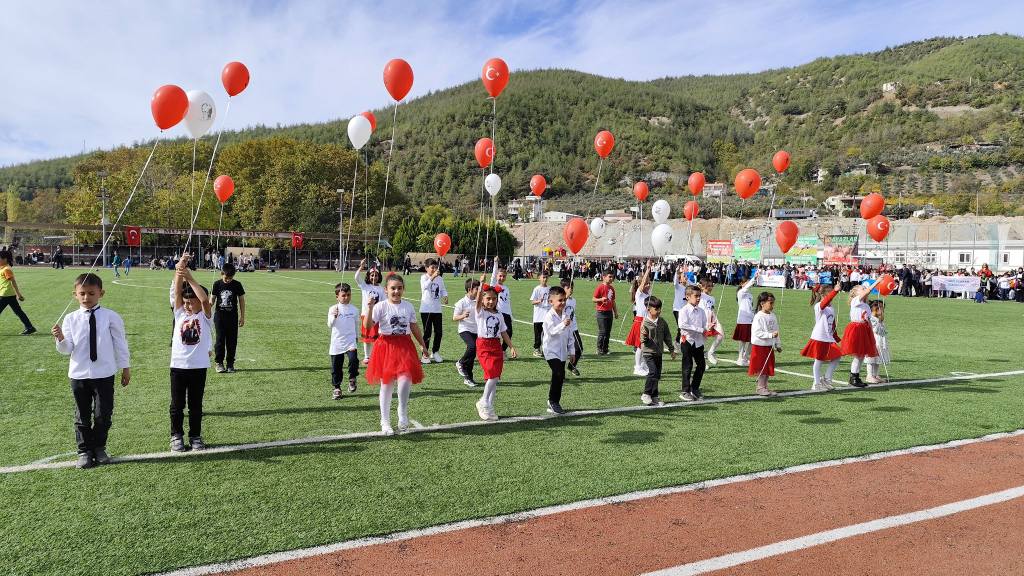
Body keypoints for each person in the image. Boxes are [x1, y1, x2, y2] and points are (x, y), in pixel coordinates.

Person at [52, 273, 130, 469]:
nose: (87, 298)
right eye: (82, 293)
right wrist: (60, 338)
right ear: (75, 295)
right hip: (79, 374)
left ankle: (99, 447)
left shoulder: (111, 316)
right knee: (82, 415)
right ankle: (84, 451)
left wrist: (125, 368)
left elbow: (121, 344)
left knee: (103, 414)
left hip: (104, 374)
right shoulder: (70, 319)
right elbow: (66, 349)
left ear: (101, 293)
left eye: (91, 293)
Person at [364, 273, 428, 435]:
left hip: (405, 346)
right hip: (386, 346)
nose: (396, 291)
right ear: (386, 290)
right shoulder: (380, 306)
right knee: (386, 384)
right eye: (393, 288)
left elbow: (414, 327)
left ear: (403, 290)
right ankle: (385, 421)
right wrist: (370, 308)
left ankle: (402, 412)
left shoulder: (408, 306)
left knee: (405, 380)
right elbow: (368, 325)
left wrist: (423, 344)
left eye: (399, 288)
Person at [170, 258, 213, 452]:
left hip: (199, 366)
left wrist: (190, 277)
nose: (187, 306)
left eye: (191, 302)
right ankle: (176, 435)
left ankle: (195, 436)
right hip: (178, 366)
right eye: (185, 302)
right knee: (177, 404)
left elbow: (204, 300)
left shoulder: (204, 317)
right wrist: (180, 270)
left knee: (196, 405)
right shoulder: (179, 314)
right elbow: (177, 292)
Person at [473, 277, 518, 421]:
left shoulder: (499, 314)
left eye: (494, 299)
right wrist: (481, 285)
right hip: (484, 345)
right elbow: (479, 300)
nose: (491, 301)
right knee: (492, 374)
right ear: (483, 300)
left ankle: (489, 406)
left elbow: (503, 332)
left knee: (495, 377)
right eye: (488, 299)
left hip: (496, 345)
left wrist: (511, 346)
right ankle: (483, 402)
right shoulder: (480, 312)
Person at [800, 284, 842, 392]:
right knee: (819, 360)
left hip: (829, 337)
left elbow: (831, 323)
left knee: (837, 356)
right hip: (819, 337)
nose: (831, 295)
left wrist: (835, 336)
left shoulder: (831, 308)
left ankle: (827, 379)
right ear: (823, 294)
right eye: (830, 292)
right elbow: (825, 302)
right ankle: (816, 383)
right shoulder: (819, 306)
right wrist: (835, 291)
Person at [841, 278, 882, 388]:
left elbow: (867, 318)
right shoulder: (856, 300)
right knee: (858, 355)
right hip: (856, 328)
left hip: (864, 329)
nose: (864, 289)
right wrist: (877, 281)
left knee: (861, 355)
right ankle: (853, 376)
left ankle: (856, 376)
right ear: (855, 293)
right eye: (861, 288)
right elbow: (867, 291)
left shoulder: (866, 305)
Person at [542, 286, 575, 414]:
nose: (562, 303)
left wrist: (572, 351)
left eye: (564, 300)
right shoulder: (549, 316)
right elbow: (551, 332)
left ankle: (555, 401)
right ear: (551, 302)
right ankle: (553, 401)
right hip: (550, 351)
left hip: (562, 352)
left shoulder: (566, 315)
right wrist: (563, 324)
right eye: (559, 300)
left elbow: (570, 335)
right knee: (558, 373)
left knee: (560, 376)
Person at [210, 262, 246, 373]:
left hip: (232, 317)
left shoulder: (237, 285)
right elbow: (212, 300)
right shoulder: (217, 284)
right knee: (220, 340)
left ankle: (230, 363)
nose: (228, 280)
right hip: (219, 317)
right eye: (226, 278)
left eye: (230, 278)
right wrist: (206, 308)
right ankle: (219, 363)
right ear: (221, 274)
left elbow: (241, 300)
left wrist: (242, 316)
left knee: (232, 341)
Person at [639, 295, 675, 406]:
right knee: (653, 372)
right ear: (648, 309)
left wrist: (671, 349)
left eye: (660, 308)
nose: (659, 311)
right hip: (648, 352)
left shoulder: (662, 322)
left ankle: (654, 396)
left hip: (659, 353)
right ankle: (646, 394)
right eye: (656, 309)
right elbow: (642, 340)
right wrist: (645, 336)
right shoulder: (645, 323)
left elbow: (667, 336)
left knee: (657, 375)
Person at [328, 283, 360, 399]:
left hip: (350, 341)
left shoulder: (355, 310)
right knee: (336, 367)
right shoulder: (333, 309)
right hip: (337, 342)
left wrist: (356, 337)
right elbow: (329, 325)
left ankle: (352, 378)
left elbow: (356, 325)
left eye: (348, 295)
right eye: (343, 295)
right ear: (337, 296)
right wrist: (334, 316)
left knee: (353, 360)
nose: (346, 297)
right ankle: (337, 388)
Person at [677, 284, 707, 402]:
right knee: (687, 366)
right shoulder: (683, 310)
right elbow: (682, 325)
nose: (698, 298)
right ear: (688, 297)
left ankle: (695, 388)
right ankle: (685, 390)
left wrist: (707, 329)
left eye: (700, 296)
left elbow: (704, 323)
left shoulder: (701, 311)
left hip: (698, 342)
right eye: (696, 296)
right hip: (687, 341)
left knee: (701, 365)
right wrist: (700, 329)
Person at [355, 259, 386, 365]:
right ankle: (367, 356)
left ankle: (377, 355)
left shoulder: (381, 289)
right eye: (372, 275)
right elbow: (356, 277)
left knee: (377, 338)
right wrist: (361, 267)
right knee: (367, 338)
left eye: (376, 275)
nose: (374, 277)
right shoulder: (365, 286)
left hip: (377, 317)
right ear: (368, 276)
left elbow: (383, 302)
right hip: (366, 315)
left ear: (379, 277)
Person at [750, 292, 781, 396]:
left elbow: (776, 331)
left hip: (769, 346)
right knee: (762, 367)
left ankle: (765, 387)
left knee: (768, 367)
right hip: (760, 346)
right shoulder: (758, 316)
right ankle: (760, 387)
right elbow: (757, 333)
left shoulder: (773, 316)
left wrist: (778, 344)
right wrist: (770, 335)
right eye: (770, 303)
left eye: (773, 303)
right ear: (762, 303)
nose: (772, 305)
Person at [626, 261, 653, 377]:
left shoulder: (647, 294)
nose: (648, 285)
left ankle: (642, 364)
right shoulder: (639, 293)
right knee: (640, 345)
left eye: (649, 283)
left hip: (646, 321)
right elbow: (642, 285)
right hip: (640, 321)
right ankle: (637, 367)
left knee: (645, 345)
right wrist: (647, 269)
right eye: (646, 284)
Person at [453, 278, 481, 387]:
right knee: (472, 347)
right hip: (465, 329)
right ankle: (460, 362)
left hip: (476, 330)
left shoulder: (478, 300)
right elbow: (455, 317)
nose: (479, 291)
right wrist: (463, 316)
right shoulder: (461, 302)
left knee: (473, 355)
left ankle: (469, 378)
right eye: (477, 289)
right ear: (470, 289)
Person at [0, 250, 37, 335]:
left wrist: (18, 294)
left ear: (5, 259)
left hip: (5, 295)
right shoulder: (3, 268)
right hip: (8, 295)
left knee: (18, 312)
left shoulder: (6, 269)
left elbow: (13, 282)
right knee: (18, 312)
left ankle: (30, 327)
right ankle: (30, 327)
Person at [419, 258, 448, 364]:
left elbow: (443, 289)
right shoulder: (424, 277)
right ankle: (425, 355)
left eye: (436, 267)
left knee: (439, 332)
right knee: (427, 333)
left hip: (437, 309)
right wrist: (433, 277)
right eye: (432, 267)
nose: (435, 269)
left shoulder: (440, 279)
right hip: (426, 309)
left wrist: (445, 295)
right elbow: (425, 287)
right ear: (426, 268)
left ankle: (435, 352)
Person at [489, 257, 514, 355]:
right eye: (500, 276)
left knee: (509, 333)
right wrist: (495, 262)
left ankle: (502, 351)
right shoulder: (494, 286)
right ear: (496, 276)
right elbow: (493, 275)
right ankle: (495, 351)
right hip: (497, 313)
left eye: (504, 276)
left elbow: (508, 302)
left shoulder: (506, 288)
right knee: (496, 334)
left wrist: (511, 315)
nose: (501, 278)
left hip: (506, 313)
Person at [732, 271, 758, 366]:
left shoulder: (750, 295)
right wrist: (753, 278)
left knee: (752, 340)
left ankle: (746, 357)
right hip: (743, 320)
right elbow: (746, 288)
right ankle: (740, 357)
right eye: (745, 282)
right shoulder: (740, 293)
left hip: (751, 319)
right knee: (742, 340)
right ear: (742, 284)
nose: (748, 284)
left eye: (748, 282)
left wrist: (754, 314)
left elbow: (750, 307)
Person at [561, 278, 584, 377]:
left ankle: (571, 366)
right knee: (562, 352)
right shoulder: (560, 300)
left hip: (573, 329)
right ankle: (561, 373)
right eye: (568, 287)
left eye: (572, 287)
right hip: (562, 330)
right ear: (562, 288)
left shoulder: (573, 300)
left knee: (579, 349)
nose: (571, 289)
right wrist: (565, 298)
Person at [699, 277, 724, 366]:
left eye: (711, 286)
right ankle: (701, 362)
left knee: (721, 335)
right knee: (702, 342)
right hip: (703, 320)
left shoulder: (712, 298)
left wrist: (714, 320)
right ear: (702, 287)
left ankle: (710, 352)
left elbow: (711, 309)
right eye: (707, 286)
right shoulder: (700, 295)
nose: (710, 287)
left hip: (713, 318)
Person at [592, 269, 618, 355]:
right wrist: (601, 299)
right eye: (609, 277)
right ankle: (599, 349)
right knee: (602, 332)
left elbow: (613, 301)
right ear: (604, 277)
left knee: (608, 332)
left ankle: (605, 348)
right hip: (601, 312)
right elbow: (593, 299)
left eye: (612, 277)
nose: (611, 278)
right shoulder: (600, 287)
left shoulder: (612, 288)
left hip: (609, 312)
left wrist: (615, 312)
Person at [864, 300, 890, 384]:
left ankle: (876, 375)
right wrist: (879, 321)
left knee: (878, 359)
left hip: (880, 341)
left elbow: (883, 331)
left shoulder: (879, 319)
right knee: (871, 359)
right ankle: (869, 375)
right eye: (879, 308)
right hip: (874, 340)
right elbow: (875, 330)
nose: (881, 310)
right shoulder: (872, 318)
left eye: (882, 308)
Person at [530, 270, 552, 357]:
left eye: (546, 277)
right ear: (539, 278)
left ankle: (546, 349)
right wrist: (539, 301)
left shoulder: (550, 288)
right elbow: (532, 301)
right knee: (538, 333)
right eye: (543, 277)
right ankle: (536, 349)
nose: (545, 279)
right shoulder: (537, 289)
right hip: (539, 315)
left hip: (548, 315)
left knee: (547, 333)